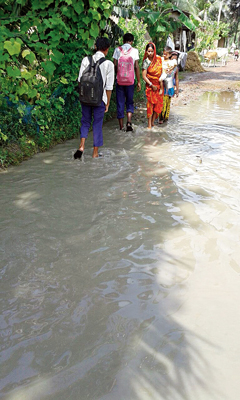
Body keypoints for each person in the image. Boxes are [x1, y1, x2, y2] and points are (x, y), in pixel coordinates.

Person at [74, 37, 114, 159]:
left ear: (95, 46)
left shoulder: (86, 60)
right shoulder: (109, 64)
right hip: (99, 100)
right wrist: (107, 103)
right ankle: (95, 153)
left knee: (85, 121)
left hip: (85, 98)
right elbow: (109, 87)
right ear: (107, 49)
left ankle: (81, 146)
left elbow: (80, 80)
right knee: (97, 124)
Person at [113, 33, 141, 131]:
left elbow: (114, 65)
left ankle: (121, 127)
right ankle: (129, 122)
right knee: (129, 102)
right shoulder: (134, 51)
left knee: (120, 103)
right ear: (131, 41)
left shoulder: (117, 50)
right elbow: (136, 66)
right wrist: (138, 81)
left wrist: (116, 77)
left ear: (123, 40)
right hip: (130, 81)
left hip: (119, 81)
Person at [142, 42, 164, 129]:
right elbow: (144, 76)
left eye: (151, 51)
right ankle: (149, 125)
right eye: (148, 51)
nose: (150, 53)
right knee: (150, 105)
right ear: (146, 51)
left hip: (158, 85)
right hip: (150, 87)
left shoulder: (158, 59)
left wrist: (161, 86)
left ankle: (153, 122)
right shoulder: (146, 62)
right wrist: (151, 85)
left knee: (157, 105)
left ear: (154, 51)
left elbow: (162, 72)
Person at [159, 49, 179, 124]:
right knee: (163, 102)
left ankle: (166, 118)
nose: (174, 57)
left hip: (171, 87)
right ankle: (161, 118)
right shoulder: (164, 65)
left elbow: (176, 79)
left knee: (168, 103)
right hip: (163, 86)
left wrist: (177, 89)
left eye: (176, 56)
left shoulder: (176, 68)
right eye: (173, 56)